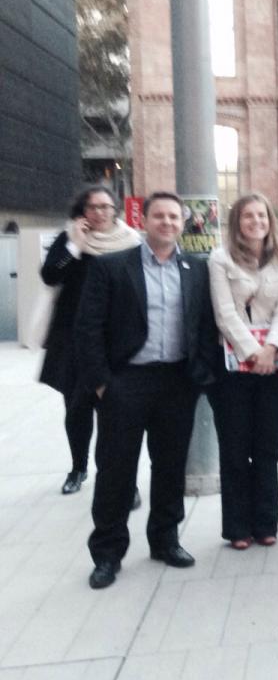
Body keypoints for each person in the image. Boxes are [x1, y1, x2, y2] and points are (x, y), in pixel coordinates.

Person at [75, 192, 217, 589]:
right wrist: (102, 383)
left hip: (177, 381)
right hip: (125, 382)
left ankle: (165, 540)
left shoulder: (196, 269)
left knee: (170, 467)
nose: (167, 223)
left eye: (174, 216)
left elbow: (205, 325)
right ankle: (107, 553)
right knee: (116, 471)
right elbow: (88, 328)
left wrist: (199, 376)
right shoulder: (111, 266)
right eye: (159, 216)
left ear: (182, 223)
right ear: (143, 220)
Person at [39, 185, 142, 495]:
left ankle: (123, 481)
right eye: (93, 207)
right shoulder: (69, 239)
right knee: (76, 409)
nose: (99, 213)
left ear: (115, 210)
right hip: (72, 339)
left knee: (119, 415)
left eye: (105, 207)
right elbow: (50, 276)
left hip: (115, 341)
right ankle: (78, 468)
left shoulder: (130, 242)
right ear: (82, 212)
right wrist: (76, 246)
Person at [208, 193, 278, 548]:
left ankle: (265, 522)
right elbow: (224, 313)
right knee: (234, 447)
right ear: (237, 222)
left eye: (262, 215)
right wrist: (252, 352)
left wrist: (270, 349)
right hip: (233, 366)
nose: (256, 221)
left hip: (274, 364)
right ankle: (237, 527)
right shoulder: (220, 258)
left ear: (270, 220)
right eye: (248, 216)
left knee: (267, 447)